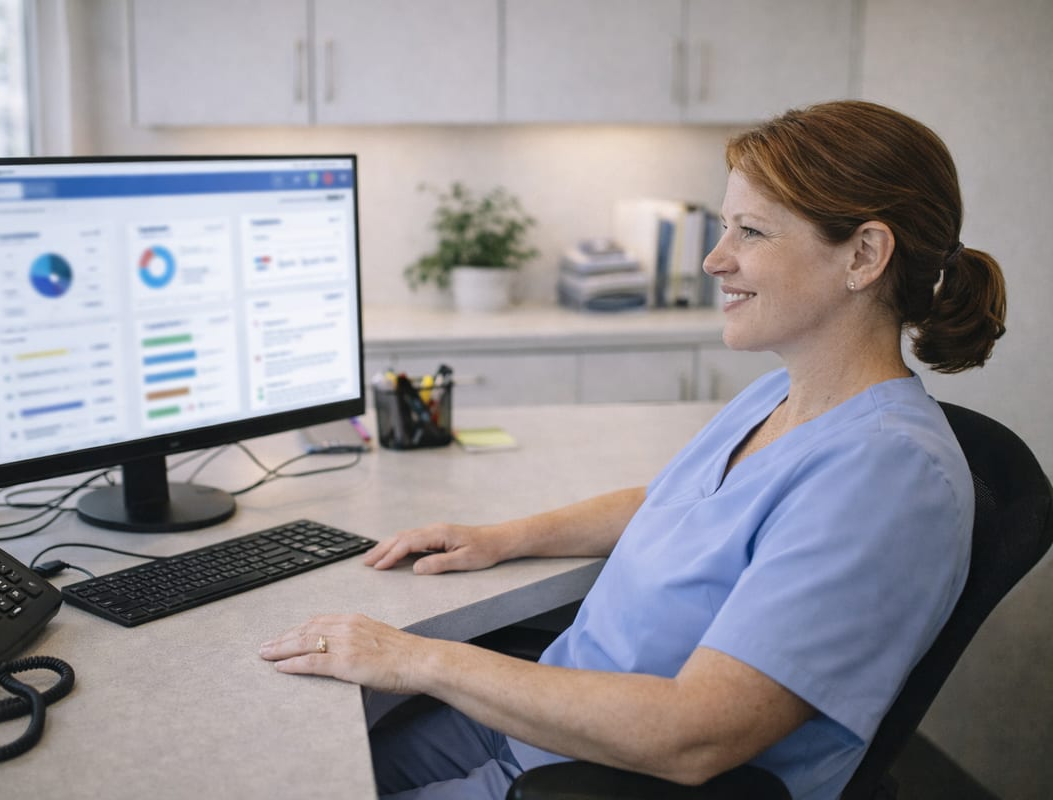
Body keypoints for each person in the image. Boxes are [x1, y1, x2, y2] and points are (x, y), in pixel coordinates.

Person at [258, 100, 1007, 800]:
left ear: (864, 254)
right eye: (724, 228)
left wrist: (416, 658)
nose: (715, 260)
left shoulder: (887, 476)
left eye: (751, 231)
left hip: (597, 773)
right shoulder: (781, 395)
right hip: (538, 722)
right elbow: (678, 503)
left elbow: (694, 734)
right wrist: (502, 539)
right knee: (286, 766)